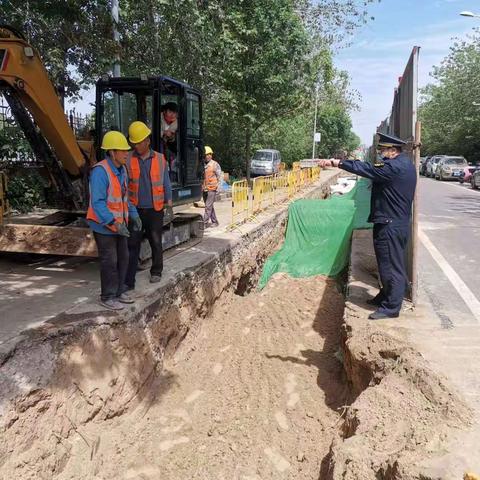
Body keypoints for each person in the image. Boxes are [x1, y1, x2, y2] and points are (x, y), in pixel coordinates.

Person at [319, 132, 417, 320]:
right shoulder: (403, 164)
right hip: (392, 222)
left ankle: (391, 307)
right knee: (386, 263)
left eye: (383, 150)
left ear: (392, 151)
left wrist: (337, 162)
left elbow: (366, 169)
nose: (380, 153)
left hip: (390, 224)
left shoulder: (393, 168)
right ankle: (386, 295)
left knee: (390, 266)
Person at [86, 131, 141, 310]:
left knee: (123, 258)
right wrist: (114, 223)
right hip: (104, 226)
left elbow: (124, 198)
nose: (127, 153)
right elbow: (98, 203)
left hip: (119, 224)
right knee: (109, 260)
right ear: (112, 152)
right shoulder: (100, 172)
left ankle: (119, 292)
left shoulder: (122, 170)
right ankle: (107, 296)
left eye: (126, 150)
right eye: (122, 150)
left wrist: (133, 214)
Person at [124, 121, 173, 289]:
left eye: (139, 142)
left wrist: (169, 204)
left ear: (147, 141)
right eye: (134, 143)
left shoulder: (159, 158)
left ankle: (156, 271)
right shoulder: (128, 159)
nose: (136, 145)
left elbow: (165, 182)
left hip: (155, 209)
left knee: (155, 241)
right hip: (135, 209)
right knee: (133, 243)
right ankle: (129, 278)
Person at [203, 145, 222, 228]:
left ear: (211, 155)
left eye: (209, 154)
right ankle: (215, 221)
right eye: (206, 154)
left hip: (212, 188)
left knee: (208, 206)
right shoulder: (201, 164)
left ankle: (204, 223)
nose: (207, 156)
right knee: (209, 206)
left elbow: (220, 176)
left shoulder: (215, 164)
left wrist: (219, 188)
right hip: (204, 189)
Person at [161, 102, 179, 182]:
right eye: (170, 112)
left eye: (174, 112)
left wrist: (172, 137)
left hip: (171, 148)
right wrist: (164, 133)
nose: (172, 115)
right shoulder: (157, 119)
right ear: (164, 112)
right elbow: (151, 132)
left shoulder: (178, 123)